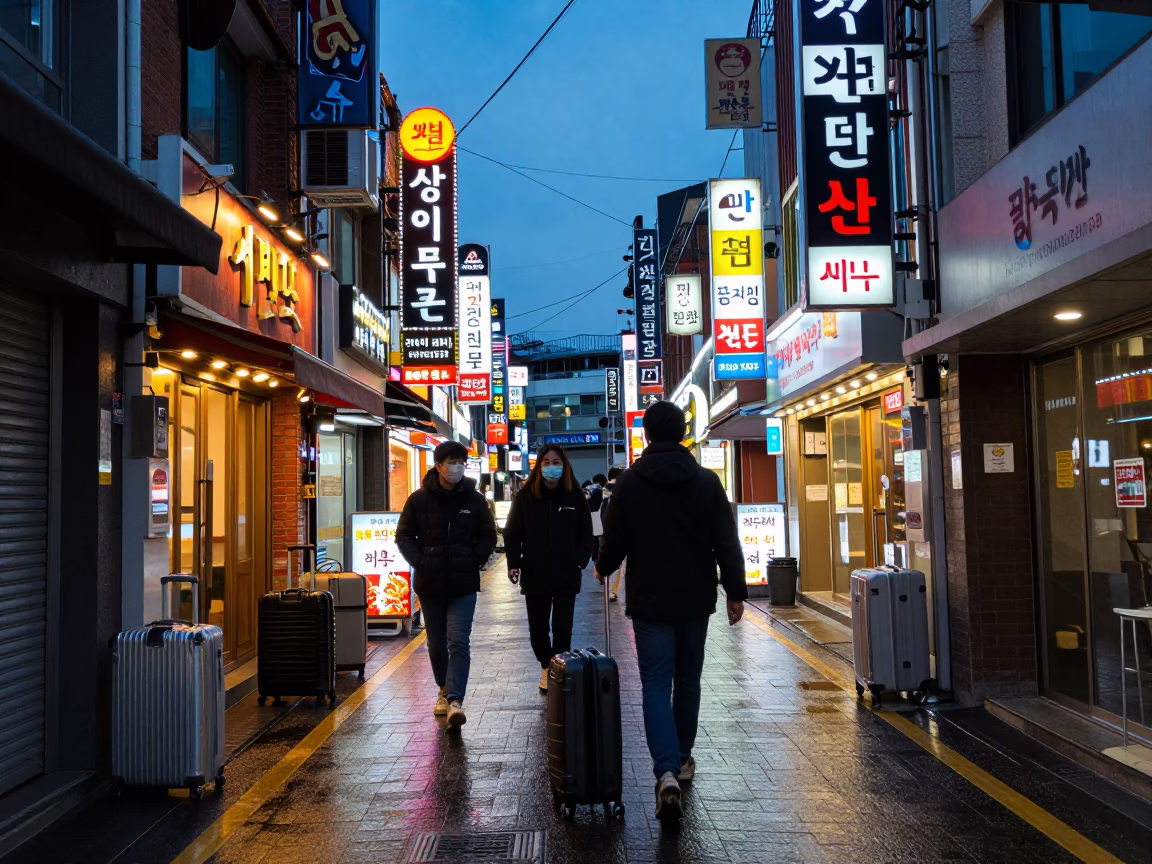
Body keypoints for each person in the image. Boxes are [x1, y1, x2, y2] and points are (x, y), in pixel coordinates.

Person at [596, 401, 746, 821]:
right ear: (683, 433)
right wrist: (736, 592)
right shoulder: (706, 482)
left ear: (646, 435)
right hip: (696, 597)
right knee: (689, 679)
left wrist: (603, 566)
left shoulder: (629, 484)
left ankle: (664, 772)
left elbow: (615, 540)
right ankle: (681, 758)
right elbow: (726, 542)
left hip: (650, 599)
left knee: (656, 683)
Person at [396, 440, 496, 730]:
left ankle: (455, 700)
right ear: (438, 465)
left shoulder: (475, 501)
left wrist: (473, 560)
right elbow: (403, 536)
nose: (456, 467)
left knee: (458, 640)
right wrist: (421, 561)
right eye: (451, 461)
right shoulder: (418, 500)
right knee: (436, 643)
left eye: (460, 461)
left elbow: (488, 535)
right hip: (430, 583)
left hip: (463, 584)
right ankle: (442, 688)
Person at [503, 444, 594, 692]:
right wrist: (513, 563)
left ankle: (558, 670)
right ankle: (547, 665)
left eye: (556, 462)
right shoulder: (525, 497)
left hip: (567, 573)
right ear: (538, 466)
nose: (551, 467)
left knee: (563, 628)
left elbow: (587, 532)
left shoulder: (575, 495)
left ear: (564, 465)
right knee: (538, 631)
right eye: (546, 463)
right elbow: (513, 532)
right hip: (535, 573)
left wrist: (581, 559)